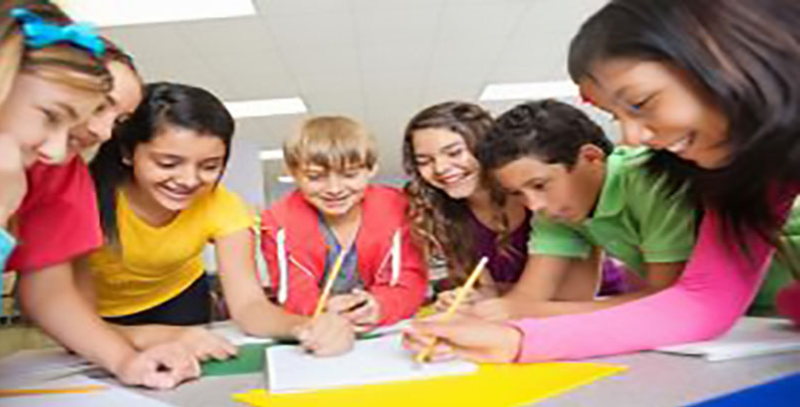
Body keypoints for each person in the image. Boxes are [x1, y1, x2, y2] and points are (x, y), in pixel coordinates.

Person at [403, 0, 800, 363]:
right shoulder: (751, 174)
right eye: (618, 115)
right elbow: (702, 302)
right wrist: (513, 340)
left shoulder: (652, 179)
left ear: (722, 53)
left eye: (642, 104)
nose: (631, 137)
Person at [1, 2, 195, 388]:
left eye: (119, 120)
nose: (105, 132)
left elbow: (49, 291)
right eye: (100, 107)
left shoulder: (57, 169)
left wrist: (125, 361)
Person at [84, 83, 354, 357]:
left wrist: (305, 327)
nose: (189, 180)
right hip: (94, 316)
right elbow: (69, 320)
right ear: (128, 153)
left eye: (210, 166)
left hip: (181, 304)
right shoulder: (85, 202)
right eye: (168, 164)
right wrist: (156, 336)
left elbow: (249, 305)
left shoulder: (224, 207)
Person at [403, 101, 626, 313]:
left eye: (454, 153)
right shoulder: (448, 218)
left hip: (600, 304)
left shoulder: (547, 200)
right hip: (521, 313)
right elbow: (490, 290)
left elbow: (569, 297)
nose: (440, 168)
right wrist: (474, 298)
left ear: (486, 149)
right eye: (424, 161)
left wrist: (497, 297)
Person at [261, 116, 427, 332]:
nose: (334, 189)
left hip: (385, 331)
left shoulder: (399, 209)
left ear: (372, 169)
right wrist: (321, 310)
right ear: (293, 173)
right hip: (318, 329)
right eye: (315, 177)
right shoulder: (278, 222)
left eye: (350, 175)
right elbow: (291, 291)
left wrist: (379, 307)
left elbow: (409, 281)